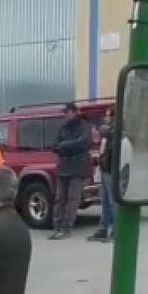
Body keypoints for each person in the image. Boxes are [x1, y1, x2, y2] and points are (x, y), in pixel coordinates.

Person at [50, 102, 92, 240]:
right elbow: (55, 146)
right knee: (59, 199)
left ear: (75, 112)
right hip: (63, 167)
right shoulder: (62, 127)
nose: (65, 115)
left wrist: (64, 145)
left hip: (77, 168)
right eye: (64, 112)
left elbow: (82, 143)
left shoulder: (84, 126)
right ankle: (57, 227)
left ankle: (67, 227)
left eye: (67, 112)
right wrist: (66, 146)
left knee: (72, 200)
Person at [90, 111, 116, 243]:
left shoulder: (115, 131)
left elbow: (106, 132)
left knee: (112, 201)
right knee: (104, 201)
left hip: (112, 170)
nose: (106, 118)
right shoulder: (106, 135)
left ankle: (116, 231)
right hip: (105, 169)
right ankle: (103, 228)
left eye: (108, 116)